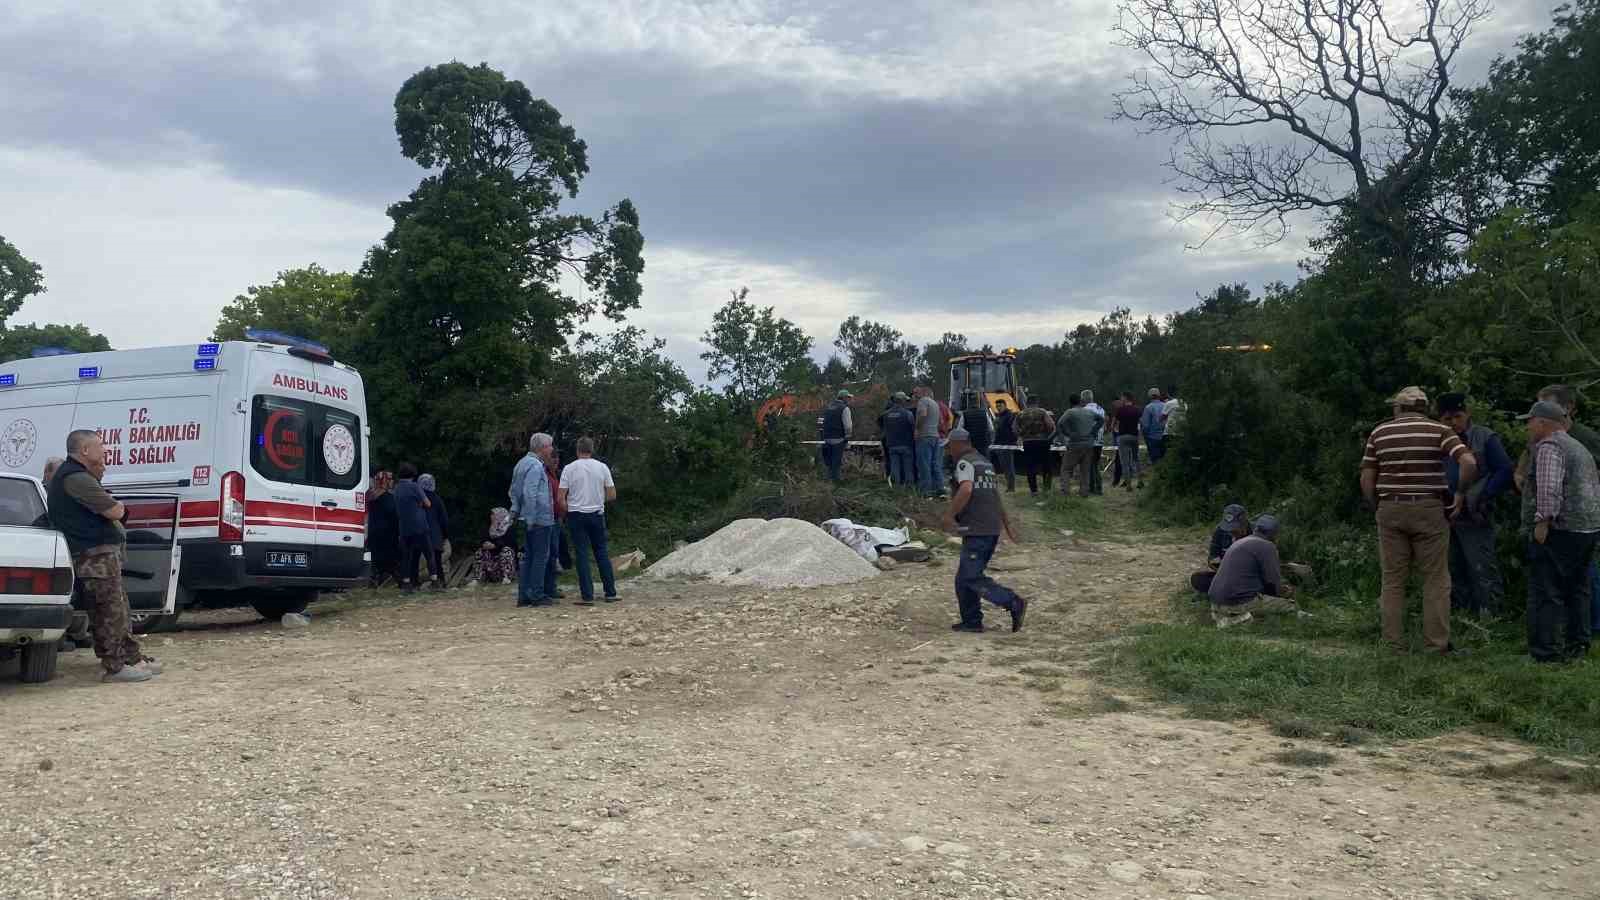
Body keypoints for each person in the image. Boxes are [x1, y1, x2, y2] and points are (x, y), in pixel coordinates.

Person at [1360, 386, 1477, 655]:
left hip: (1390, 508)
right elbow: (1469, 463)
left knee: (1393, 580)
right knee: (1435, 579)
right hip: (1429, 508)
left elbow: (1367, 476)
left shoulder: (1380, 432)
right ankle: (1436, 645)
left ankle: (1393, 644)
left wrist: (1377, 505)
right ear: (1424, 408)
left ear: (1398, 408)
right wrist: (1460, 494)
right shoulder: (1440, 430)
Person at [46, 430, 158, 682]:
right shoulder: (75, 478)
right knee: (108, 611)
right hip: (92, 557)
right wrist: (117, 507)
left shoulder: (79, 476)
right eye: (100, 446)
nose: (106, 450)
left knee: (118, 608)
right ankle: (115, 666)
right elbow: (115, 511)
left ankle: (130, 658)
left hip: (99, 556)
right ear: (84, 450)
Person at [1514, 386, 1600, 632]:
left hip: (1561, 527)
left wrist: (1542, 523)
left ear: (1542, 422)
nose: (1528, 427)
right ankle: (1578, 642)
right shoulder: (1575, 445)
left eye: (1530, 421)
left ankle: (1546, 648)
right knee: (1578, 588)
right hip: (1587, 526)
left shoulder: (1550, 446)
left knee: (1547, 591)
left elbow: (1549, 488)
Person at [943, 428, 1027, 633]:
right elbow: (995, 496)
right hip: (989, 527)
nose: (948, 451)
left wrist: (949, 515)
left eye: (949, 447)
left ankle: (1012, 601)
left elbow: (966, 489)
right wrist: (1006, 525)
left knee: (970, 576)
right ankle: (972, 621)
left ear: (958, 444)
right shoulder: (985, 463)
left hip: (977, 527)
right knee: (964, 578)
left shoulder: (965, 463)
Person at [1437, 393, 1513, 618]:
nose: (1453, 423)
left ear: (1467, 413)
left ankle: (1492, 617)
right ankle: (1461, 616)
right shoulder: (1437, 438)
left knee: (1482, 566)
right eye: (1447, 418)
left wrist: (1484, 495)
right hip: (1444, 513)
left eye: (1457, 417)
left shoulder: (1483, 436)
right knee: (1451, 567)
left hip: (1474, 513)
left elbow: (1504, 470)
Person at [1207, 515, 1307, 628]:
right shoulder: (1268, 546)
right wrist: (1287, 591)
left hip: (1215, 603)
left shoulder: (1240, 542)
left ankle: (1230, 617)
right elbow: (1274, 584)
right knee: (1291, 606)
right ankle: (1240, 619)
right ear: (1274, 534)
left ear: (1256, 529)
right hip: (1235, 603)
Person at [559, 437, 620, 605]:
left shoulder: (569, 468)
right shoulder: (602, 467)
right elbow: (612, 494)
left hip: (576, 515)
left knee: (581, 554)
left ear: (577, 450)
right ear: (592, 450)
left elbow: (560, 497)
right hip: (597, 514)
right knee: (601, 552)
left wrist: (568, 510)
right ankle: (610, 592)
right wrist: (598, 500)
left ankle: (587, 596)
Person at [510, 433, 560, 607]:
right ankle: (537, 595)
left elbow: (514, 491)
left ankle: (524, 595)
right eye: (550, 446)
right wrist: (532, 518)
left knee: (528, 557)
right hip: (539, 519)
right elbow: (529, 493)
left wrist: (516, 511)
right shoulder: (536, 466)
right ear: (542, 448)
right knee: (540, 557)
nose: (552, 449)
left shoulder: (521, 463)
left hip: (526, 518)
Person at [1189, 503, 1249, 595]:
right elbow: (1213, 556)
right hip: (1227, 575)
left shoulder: (1256, 533)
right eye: (1228, 527)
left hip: (1248, 576)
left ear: (1244, 523)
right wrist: (1217, 566)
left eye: (1234, 528)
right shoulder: (1220, 531)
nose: (1231, 531)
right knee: (1197, 579)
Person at [393, 464, 432, 594]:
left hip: (404, 527)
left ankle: (406, 583)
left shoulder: (396, 488)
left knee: (406, 557)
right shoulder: (415, 486)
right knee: (429, 554)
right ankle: (435, 581)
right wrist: (419, 504)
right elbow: (428, 503)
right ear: (413, 475)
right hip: (420, 526)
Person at [1054, 393, 1102, 497]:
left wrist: (1067, 435)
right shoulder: (1089, 412)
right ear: (1080, 401)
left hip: (1075, 443)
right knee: (1085, 470)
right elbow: (1101, 419)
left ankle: (1065, 492)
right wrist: (1094, 431)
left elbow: (1060, 424)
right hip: (1089, 444)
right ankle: (1084, 492)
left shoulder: (1070, 412)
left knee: (1066, 469)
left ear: (1070, 403)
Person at [1016, 397, 1057, 494]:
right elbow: (1051, 426)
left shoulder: (1021, 414)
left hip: (1028, 442)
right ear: (1037, 402)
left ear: (1027, 403)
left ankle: (1034, 490)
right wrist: (1048, 437)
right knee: (1046, 466)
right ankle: (1047, 489)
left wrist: (1021, 436)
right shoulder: (1042, 412)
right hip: (1042, 442)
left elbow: (1014, 428)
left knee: (1030, 466)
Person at [366, 470, 400, 587]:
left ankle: (376, 580)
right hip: (387, 535)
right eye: (390, 479)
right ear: (385, 481)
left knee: (376, 561)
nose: (392, 482)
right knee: (391, 561)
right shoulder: (389, 498)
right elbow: (394, 516)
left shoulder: (370, 496)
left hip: (373, 533)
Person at [417, 473, 449, 589]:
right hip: (435, 535)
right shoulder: (437, 499)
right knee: (437, 561)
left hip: (418, 533)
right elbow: (444, 519)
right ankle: (440, 582)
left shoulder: (417, 499)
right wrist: (445, 535)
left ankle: (413, 583)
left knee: (415, 560)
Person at [913, 386, 944, 498]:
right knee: (935, 464)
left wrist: (917, 428)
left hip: (924, 436)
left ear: (923, 393)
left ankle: (926, 492)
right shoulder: (935, 404)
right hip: (935, 436)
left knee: (924, 464)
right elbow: (941, 422)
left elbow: (923, 414)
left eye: (917, 393)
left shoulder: (923, 401)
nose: (915, 396)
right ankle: (940, 489)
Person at [882, 392, 917, 488]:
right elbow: (913, 428)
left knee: (894, 467)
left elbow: (884, 428)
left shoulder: (886, 414)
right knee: (908, 468)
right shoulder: (908, 414)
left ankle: (896, 488)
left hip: (892, 445)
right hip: (906, 444)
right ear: (903, 401)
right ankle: (909, 487)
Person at [476, 507, 518, 585]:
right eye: (491, 514)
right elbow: (481, 540)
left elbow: (512, 544)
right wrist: (484, 544)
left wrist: (495, 545)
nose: (491, 516)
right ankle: (479, 578)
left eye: (494, 514)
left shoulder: (508, 529)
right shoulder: (487, 528)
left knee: (507, 551)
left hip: (502, 564)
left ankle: (506, 577)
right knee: (480, 552)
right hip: (491, 566)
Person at [820, 389, 853, 482]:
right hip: (838, 438)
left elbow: (822, 422)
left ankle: (829, 479)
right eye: (848, 397)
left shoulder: (828, 407)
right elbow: (848, 426)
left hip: (827, 438)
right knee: (836, 461)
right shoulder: (844, 408)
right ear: (844, 398)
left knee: (829, 461)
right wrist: (847, 437)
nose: (849, 399)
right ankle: (836, 481)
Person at [1114, 391, 1144, 490]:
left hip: (1123, 436)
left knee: (1125, 462)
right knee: (1136, 459)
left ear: (1125, 398)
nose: (1121, 399)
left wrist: (1114, 429)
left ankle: (1128, 484)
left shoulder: (1120, 410)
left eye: (1122, 398)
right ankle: (1140, 481)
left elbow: (1114, 423)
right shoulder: (1137, 410)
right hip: (1134, 436)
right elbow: (1141, 422)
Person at [1081, 390, 1107, 495]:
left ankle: (1093, 488)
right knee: (1095, 464)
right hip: (1099, 440)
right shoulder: (1101, 408)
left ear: (1083, 399)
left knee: (1090, 465)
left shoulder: (1084, 410)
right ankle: (1098, 487)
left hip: (1089, 440)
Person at [992, 399, 1019, 492]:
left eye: (1000, 406)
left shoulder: (1009, 416)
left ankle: (1011, 487)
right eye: (997, 406)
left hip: (1007, 444)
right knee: (1004, 466)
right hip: (999, 444)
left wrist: (1014, 440)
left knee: (1008, 466)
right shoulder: (999, 416)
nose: (998, 408)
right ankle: (1009, 486)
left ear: (1005, 405)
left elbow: (1013, 430)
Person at [1141, 387, 1167, 466]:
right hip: (1165, 436)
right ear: (1159, 395)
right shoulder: (1165, 405)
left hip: (1153, 437)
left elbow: (1145, 425)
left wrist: (1145, 436)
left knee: (1155, 461)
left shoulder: (1148, 407)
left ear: (1150, 396)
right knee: (1164, 459)